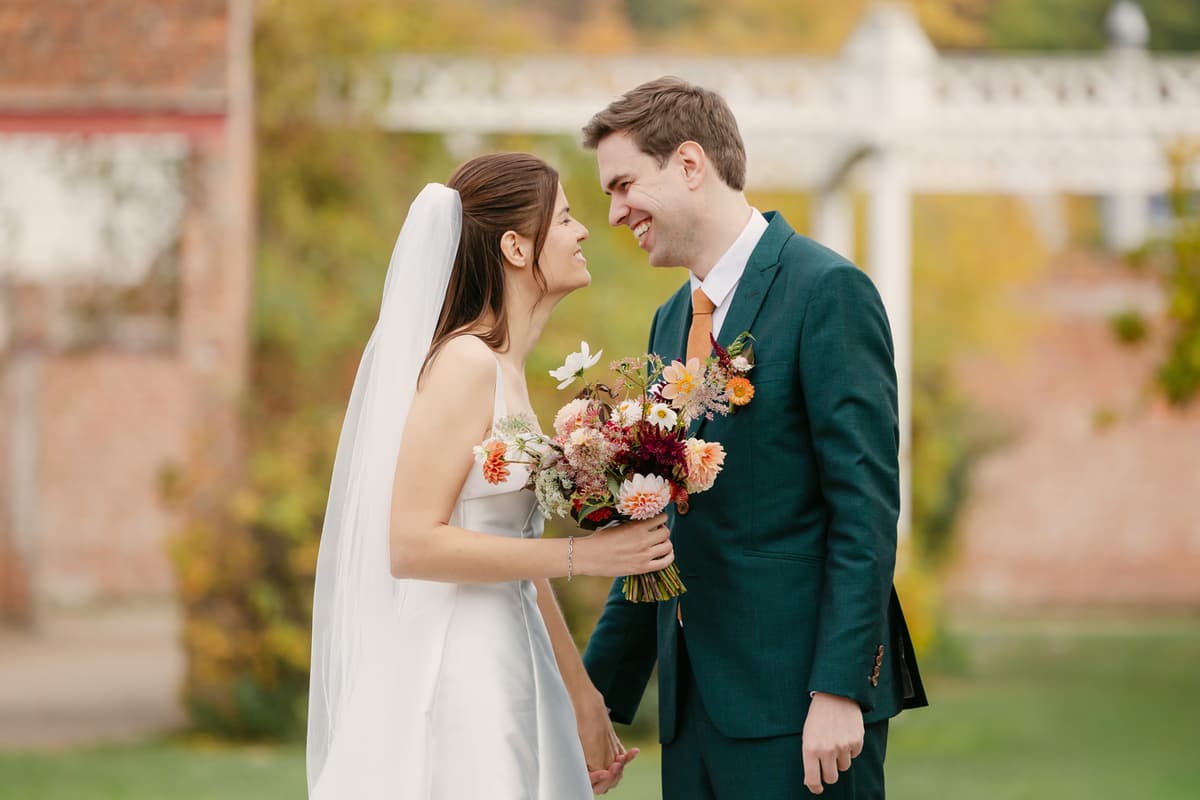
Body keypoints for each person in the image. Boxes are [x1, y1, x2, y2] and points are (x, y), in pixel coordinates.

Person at [580, 78, 928, 799]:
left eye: (622, 185)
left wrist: (839, 690)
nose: (613, 213)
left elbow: (864, 510)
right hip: (693, 716)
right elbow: (659, 526)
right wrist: (596, 704)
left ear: (688, 163)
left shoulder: (828, 291)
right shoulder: (670, 320)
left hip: (802, 713)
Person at [306, 153, 664, 799]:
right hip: (460, 664)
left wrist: (580, 694)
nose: (583, 231)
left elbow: (517, 552)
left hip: (512, 643)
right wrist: (586, 555)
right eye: (565, 218)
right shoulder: (464, 363)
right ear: (515, 246)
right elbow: (412, 544)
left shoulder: (503, 368)